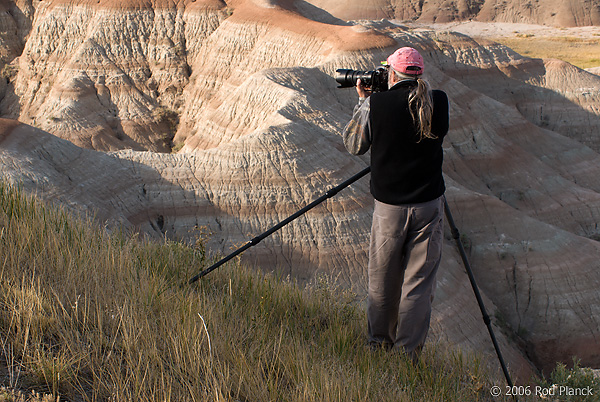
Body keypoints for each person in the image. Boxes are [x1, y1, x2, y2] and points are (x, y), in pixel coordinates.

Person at [342, 47, 449, 360]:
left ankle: (378, 346)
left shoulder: (376, 104)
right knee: (418, 286)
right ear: (420, 73)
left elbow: (354, 145)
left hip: (390, 210)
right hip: (429, 205)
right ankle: (407, 358)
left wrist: (364, 102)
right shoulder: (437, 100)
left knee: (383, 280)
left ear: (391, 73)